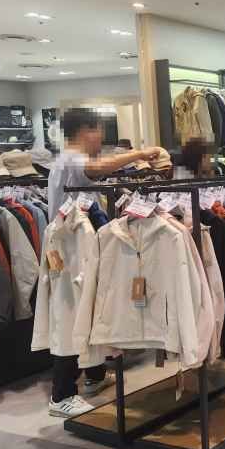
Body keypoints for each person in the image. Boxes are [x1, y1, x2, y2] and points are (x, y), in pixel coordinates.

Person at [45, 107, 161, 418]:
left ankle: (94, 375)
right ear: (88, 130)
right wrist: (140, 153)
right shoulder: (72, 159)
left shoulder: (66, 161)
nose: (100, 139)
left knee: (89, 312)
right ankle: (61, 395)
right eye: (99, 131)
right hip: (71, 253)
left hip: (74, 250)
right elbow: (97, 168)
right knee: (73, 317)